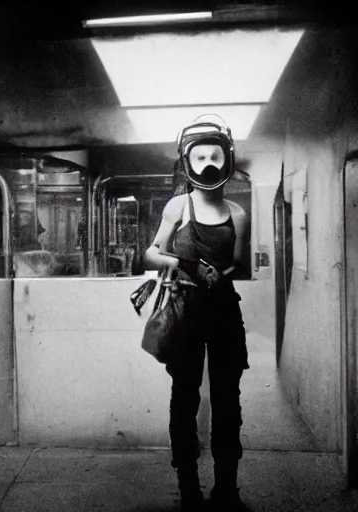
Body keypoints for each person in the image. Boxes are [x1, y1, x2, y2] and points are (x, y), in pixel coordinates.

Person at [144, 116, 250, 511]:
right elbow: (151, 253)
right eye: (199, 156)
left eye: (214, 156)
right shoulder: (178, 205)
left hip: (223, 311)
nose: (207, 163)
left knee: (228, 399)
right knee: (184, 397)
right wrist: (186, 263)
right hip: (186, 309)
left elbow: (239, 265)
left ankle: (227, 488)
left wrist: (219, 272)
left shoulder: (237, 214)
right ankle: (188, 487)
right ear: (188, 161)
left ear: (227, 160)